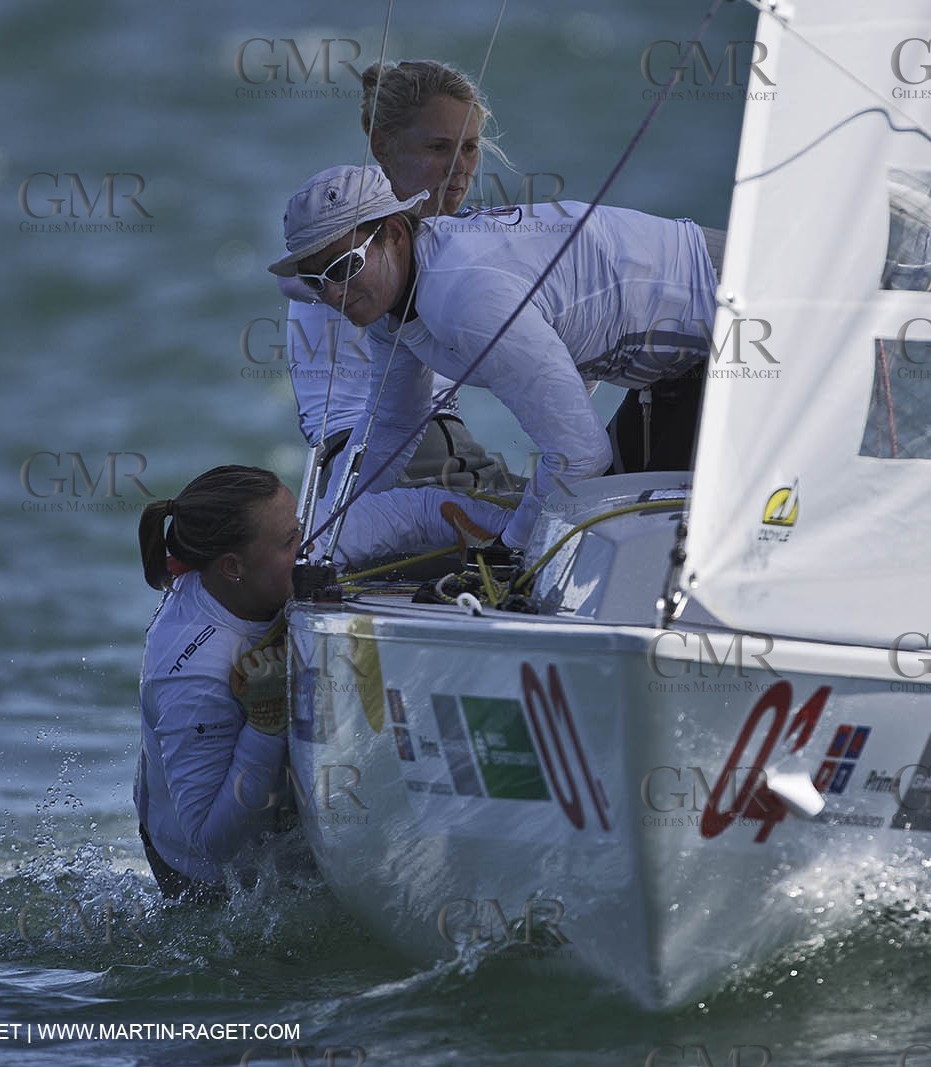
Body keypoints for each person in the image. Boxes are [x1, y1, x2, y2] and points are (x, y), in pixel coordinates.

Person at [268, 164, 721, 552]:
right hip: (681, 370)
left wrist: (512, 547)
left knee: (632, 547)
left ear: (395, 234)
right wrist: (322, 534)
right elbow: (394, 424)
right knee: (608, 534)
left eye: (343, 267)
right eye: (313, 282)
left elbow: (579, 456)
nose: (333, 293)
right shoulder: (397, 303)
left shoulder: (465, 295)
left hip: (740, 322)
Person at [283, 60, 510, 495]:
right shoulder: (361, 225)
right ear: (383, 147)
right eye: (439, 148)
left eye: (470, 147)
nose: (460, 168)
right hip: (411, 451)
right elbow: (293, 274)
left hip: (341, 468)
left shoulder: (426, 238)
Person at [133, 464, 300, 900]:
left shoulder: (224, 576)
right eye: (290, 543)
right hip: (204, 881)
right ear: (233, 567)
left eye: (300, 530)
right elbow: (213, 840)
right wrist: (266, 722)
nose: (310, 550)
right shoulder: (195, 675)